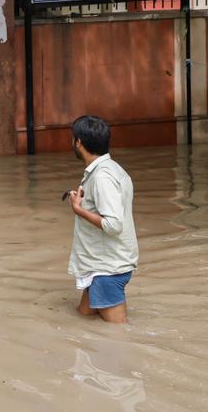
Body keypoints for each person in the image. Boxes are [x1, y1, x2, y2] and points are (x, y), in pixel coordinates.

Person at [64, 115, 138, 324]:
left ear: (78, 142)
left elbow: (113, 225)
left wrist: (79, 210)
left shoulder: (102, 177)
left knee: (117, 334)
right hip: (100, 264)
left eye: (72, 139)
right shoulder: (110, 169)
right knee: (84, 317)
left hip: (107, 269)